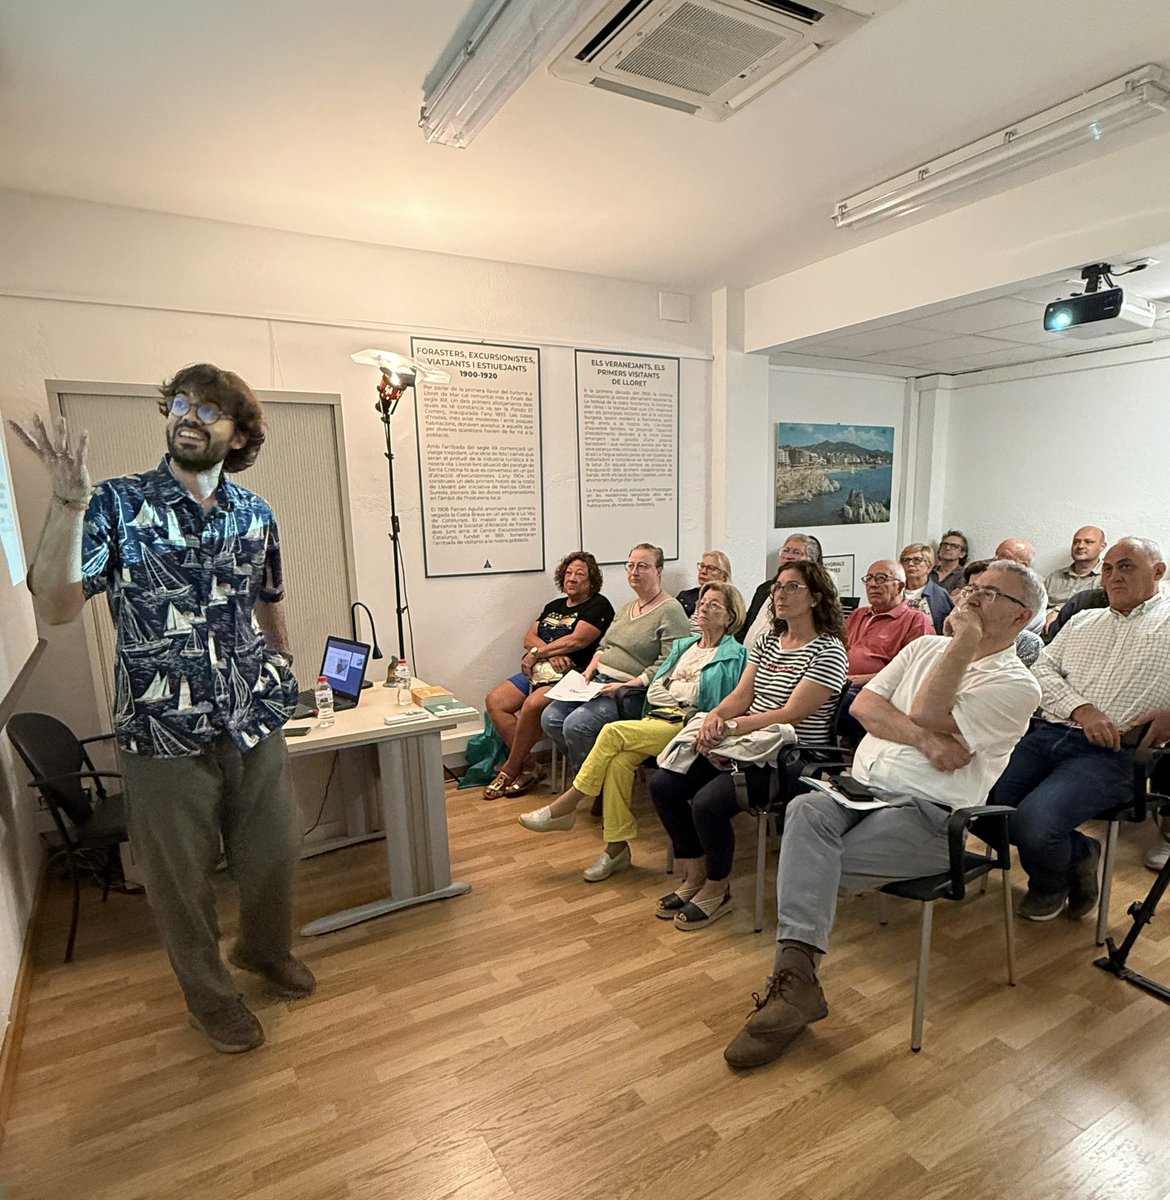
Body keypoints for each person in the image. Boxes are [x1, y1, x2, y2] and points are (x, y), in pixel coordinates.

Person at [9, 364, 313, 1055]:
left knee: (273, 852)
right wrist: (65, 505)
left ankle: (263, 952)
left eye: (210, 408)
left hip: (252, 716)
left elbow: (268, 596)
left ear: (239, 435)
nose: (189, 416)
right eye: (180, 403)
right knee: (180, 883)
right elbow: (55, 606)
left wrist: (283, 666)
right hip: (160, 728)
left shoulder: (256, 512)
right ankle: (211, 1000)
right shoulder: (115, 504)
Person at [722, 561, 1043, 1069]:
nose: (973, 598)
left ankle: (791, 983)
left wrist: (960, 645)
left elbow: (934, 711)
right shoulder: (920, 648)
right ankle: (797, 984)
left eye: (991, 595)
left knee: (810, 863)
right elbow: (864, 707)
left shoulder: (1019, 685)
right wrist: (921, 738)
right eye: (972, 589)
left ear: (1022, 616)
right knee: (805, 807)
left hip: (930, 816)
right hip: (860, 790)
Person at [649, 559, 848, 930]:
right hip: (745, 740)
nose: (780, 595)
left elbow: (791, 715)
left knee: (709, 803)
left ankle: (717, 887)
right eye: (777, 587)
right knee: (664, 785)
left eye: (792, 587)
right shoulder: (769, 640)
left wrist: (731, 728)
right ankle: (694, 874)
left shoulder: (829, 651)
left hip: (792, 757)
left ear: (817, 598)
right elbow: (742, 694)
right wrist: (714, 719)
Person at [517, 581, 747, 882]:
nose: (703, 607)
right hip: (660, 718)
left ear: (730, 617)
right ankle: (616, 849)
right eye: (703, 602)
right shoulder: (684, 647)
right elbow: (657, 691)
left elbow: (715, 704)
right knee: (617, 761)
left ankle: (569, 804)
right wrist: (678, 693)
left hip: (690, 726)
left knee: (612, 733)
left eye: (714, 605)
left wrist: (678, 694)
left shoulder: (735, 655)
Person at [993, 537, 1170, 921]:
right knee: (980, 805)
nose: (1113, 576)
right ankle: (1079, 854)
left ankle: (1049, 884)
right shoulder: (1083, 621)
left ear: (1158, 572)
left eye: (1126, 566)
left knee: (1035, 823)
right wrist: (1083, 709)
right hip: (1050, 733)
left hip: (1114, 754)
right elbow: (1040, 668)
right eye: (1108, 569)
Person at [540, 543, 690, 775]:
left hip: (630, 693)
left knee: (576, 725)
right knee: (550, 717)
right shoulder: (628, 607)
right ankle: (598, 776)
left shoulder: (670, 610)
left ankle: (592, 784)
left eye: (642, 566)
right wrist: (588, 672)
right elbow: (604, 646)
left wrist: (628, 684)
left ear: (658, 571)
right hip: (598, 682)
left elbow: (671, 662)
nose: (634, 572)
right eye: (630, 566)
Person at [482, 551, 613, 800]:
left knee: (532, 705)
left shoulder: (599, 605)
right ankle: (530, 765)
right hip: (540, 669)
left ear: (591, 580)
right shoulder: (553, 606)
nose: (572, 578)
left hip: (571, 674)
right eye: (568, 573)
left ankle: (511, 769)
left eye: (580, 574)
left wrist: (537, 653)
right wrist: (545, 653)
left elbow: (577, 640)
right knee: (495, 701)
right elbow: (528, 637)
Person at [837, 559, 933, 741]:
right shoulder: (858, 614)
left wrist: (859, 680)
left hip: (872, 692)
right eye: (869, 579)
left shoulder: (914, 620)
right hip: (840, 684)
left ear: (900, 587)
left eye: (881, 578)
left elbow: (911, 673)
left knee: (829, 702)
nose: (873, 584)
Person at [740, 533, 823, 647]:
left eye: (796, 552)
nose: (788, 556)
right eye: (786, 550)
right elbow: (746, 626)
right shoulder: (764, 589)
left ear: (811, 560)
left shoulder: (809, 592)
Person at [960, 560, 1043, 663]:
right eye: (972, 589)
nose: (970, 600)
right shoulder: (937, 645)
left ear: (1021, 616)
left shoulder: (1014, 677)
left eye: (988, 594)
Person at [1043, 526, 1106, 628]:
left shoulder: (1108, 578)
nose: (1080, 546)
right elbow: (1036, 608)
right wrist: (1049, 613)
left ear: (1102, 546)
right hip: (1045, 631)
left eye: (1088, 542)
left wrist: (1059, 613)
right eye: (1076, 542)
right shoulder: (1054, 577)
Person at [898, 542, 953, 634]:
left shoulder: (939, 594)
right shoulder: (895, 592)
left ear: (929, 566)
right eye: (906, 560)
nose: (910, 564)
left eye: (917, 560)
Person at [676, 550, 732, 618]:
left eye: (711, 568)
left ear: (723, 576)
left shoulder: (729, 601)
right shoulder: (685, 596)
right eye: (702, 566)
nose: (703, 571)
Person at [931, 529, 968, 594]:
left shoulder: (965, 575)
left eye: (954, 546)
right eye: (945, 544)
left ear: (962, 554)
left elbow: (954, 598)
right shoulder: (928, 571)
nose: (947, 548)